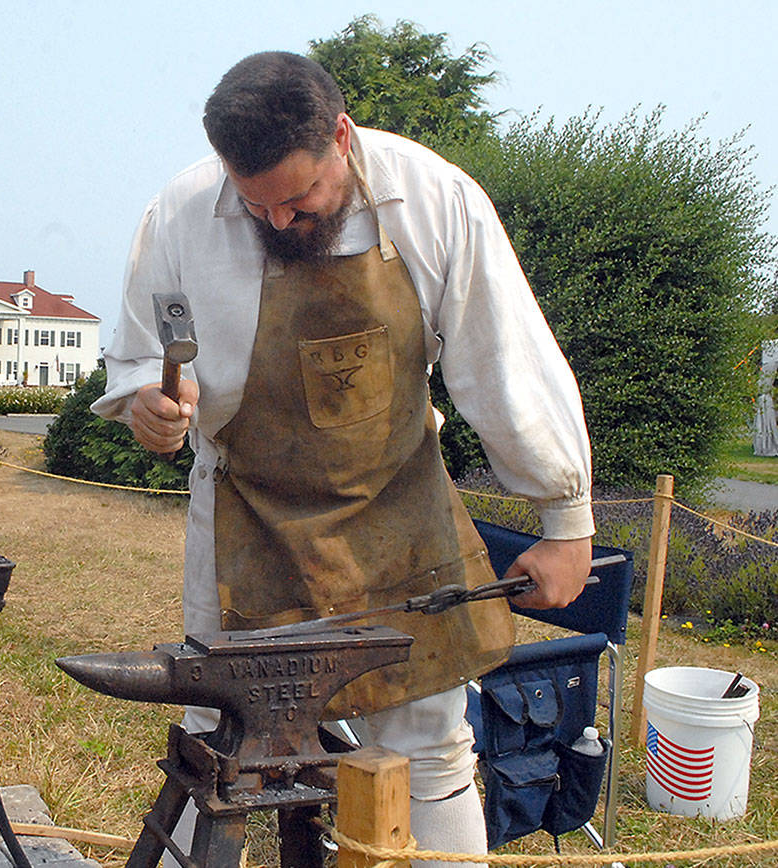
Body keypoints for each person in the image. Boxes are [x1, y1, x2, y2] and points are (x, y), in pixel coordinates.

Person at [91, 51, 594, 868]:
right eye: (256, 205)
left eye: (299, 199)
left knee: (429, 747)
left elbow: (505, 365)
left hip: (395, 513)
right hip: (242, 516)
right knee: (217, 739)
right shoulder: (182, 213)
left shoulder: (433, 200)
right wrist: (147, 404)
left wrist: (566, 519)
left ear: (342, 137)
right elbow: (139, 358)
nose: (280, 221)